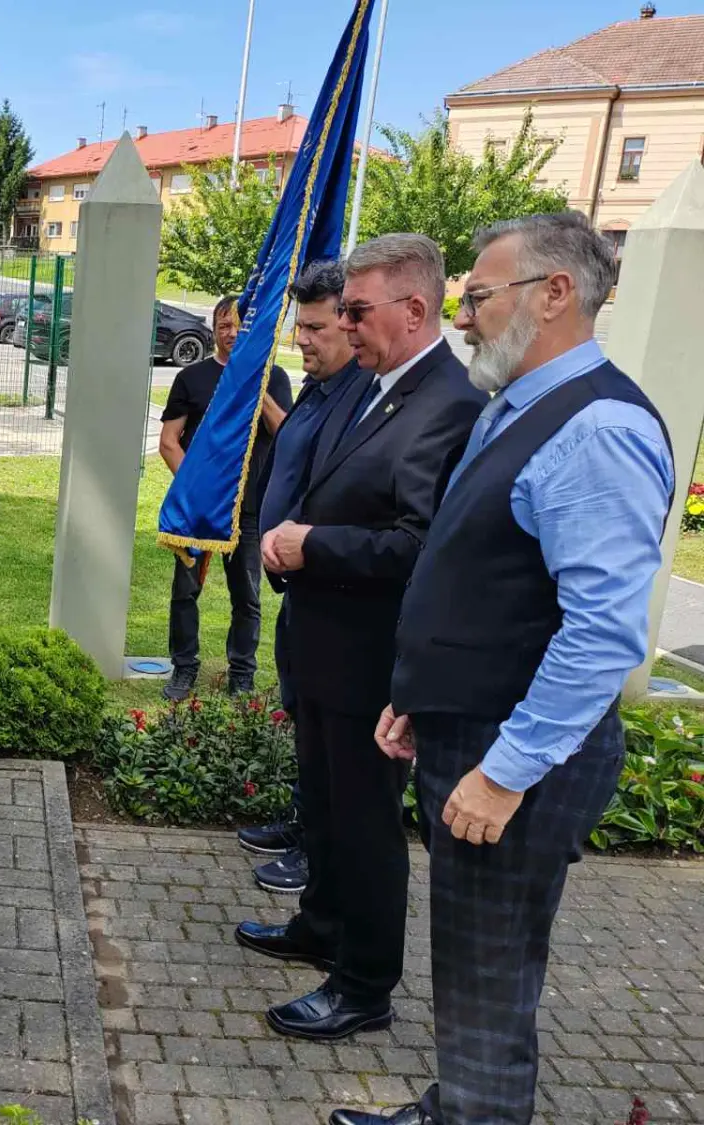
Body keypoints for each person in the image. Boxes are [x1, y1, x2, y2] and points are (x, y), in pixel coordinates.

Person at [331, 214, 673, 1125]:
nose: (465, 317)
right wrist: (420, 697)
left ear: (554, 294)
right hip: (471, 727)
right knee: (476, 957)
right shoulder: (518, 406)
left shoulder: (596, 427)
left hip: (515, 756)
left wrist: (503, 771)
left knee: (487, 966)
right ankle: (463, 1103)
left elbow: (601, 633)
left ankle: (476, 1112)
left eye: (478, 296)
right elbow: (479, 572)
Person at [234, 233, 485, 1042]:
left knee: (368, 829)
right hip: (325, 644)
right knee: (330, 813)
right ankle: (322, 924)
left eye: (355, 310)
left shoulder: (448, 403)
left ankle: (364, 983)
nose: (341, 323)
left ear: (415, 310)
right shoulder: (383, 388)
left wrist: (315, 543)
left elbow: (422, 544)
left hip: (375, 661)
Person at [239, 259, 362, 896]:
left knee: (330, 735)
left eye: (315, 327)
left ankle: (318, 853)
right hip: (301, 589)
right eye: (301, 325)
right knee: (302, 715)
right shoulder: (319, 385)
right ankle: (301, 823)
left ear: (349, 321)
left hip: (331, 588)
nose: (302, 340)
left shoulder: (362, 396)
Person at [159, 294, 293, 700]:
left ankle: (242, 675)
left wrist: (253, 379)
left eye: (239, 326)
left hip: (250, 507)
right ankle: (183, 669)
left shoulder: (275, 377)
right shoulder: (191, 379)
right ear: (214, 329)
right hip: (199, 510)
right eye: (223, 326)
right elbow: (169, 442)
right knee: (185, 593)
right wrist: (198, 488)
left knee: (247, 596)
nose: (231, 333)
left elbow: (285, 433)